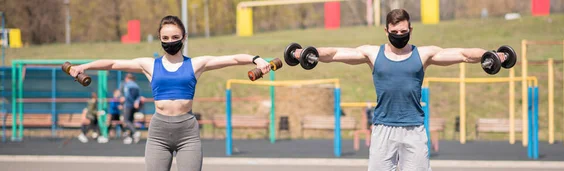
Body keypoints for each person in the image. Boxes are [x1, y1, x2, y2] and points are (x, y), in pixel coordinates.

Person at [287, 9, 513, 171]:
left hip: (413, 129)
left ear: (410, 30)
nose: (399, 35)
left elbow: (463, 54)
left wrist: (492, 55)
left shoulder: (423, 54)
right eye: (395, 32)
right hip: (383, 129)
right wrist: (305, 53)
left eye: (403, 31)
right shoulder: (372, 54)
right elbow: (335, 53)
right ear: (386, 30)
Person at [66, 15, 271, 171]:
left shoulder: (196, 64)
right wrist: (85, 66)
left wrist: (257, 59)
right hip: (159, 133)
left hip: (187, 133)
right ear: (160, 39)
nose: (170, 41)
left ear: (184, 37)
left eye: (175, 37)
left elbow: (232, 58)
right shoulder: (149, 65)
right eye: (165, 37)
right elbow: (112, 63)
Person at [120, 73, 142, 144]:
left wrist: (124, 101)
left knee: (126, 120)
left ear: (127, 78)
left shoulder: (127, 85)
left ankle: (135, 133)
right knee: (131, 120)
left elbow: (127, 96)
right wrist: (136, 102)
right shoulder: (136, 85)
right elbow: (138, 96)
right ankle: (130, 137)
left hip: (128, 105)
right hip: (134, 106)